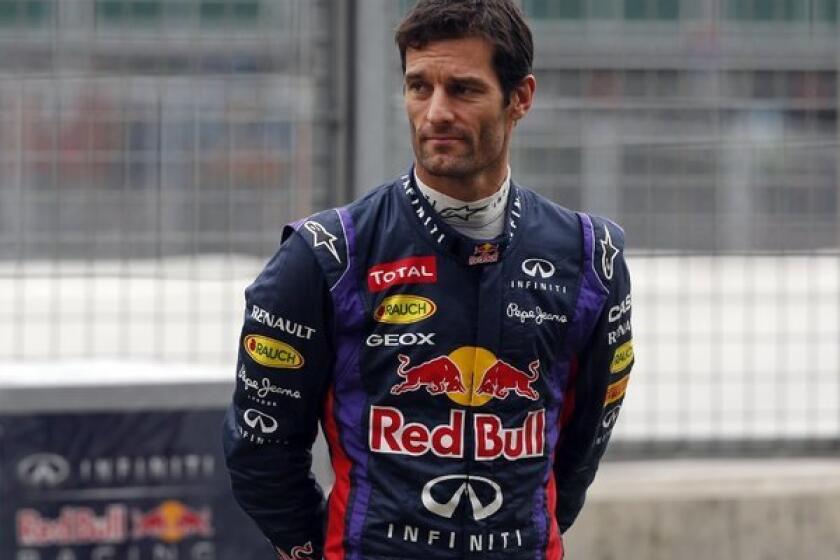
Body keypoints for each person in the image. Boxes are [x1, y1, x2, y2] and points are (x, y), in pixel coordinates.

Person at [223, 0, 633, 558]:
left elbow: (581, 449)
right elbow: (259, 448)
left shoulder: (591, 258)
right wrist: (313, 549)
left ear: (521, 99)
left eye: (462, 90)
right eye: (419, 87)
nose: (436, 111)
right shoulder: (327, 254)